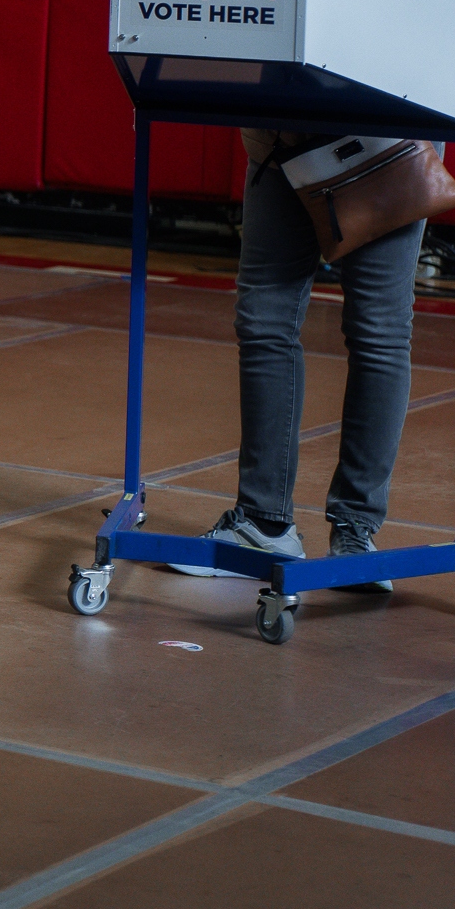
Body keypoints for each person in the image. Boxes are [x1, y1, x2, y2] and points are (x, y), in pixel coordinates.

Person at [171, 128, 423, 592]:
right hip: (280, 137)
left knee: (378, 331)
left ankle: (355, 531)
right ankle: (264, 526)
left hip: (381, 140)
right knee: (265, 322)